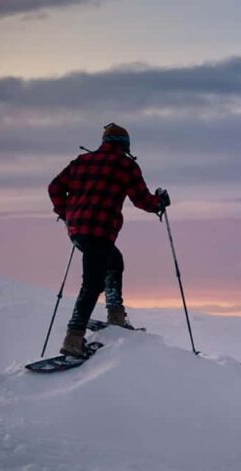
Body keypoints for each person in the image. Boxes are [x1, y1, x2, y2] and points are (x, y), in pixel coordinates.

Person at [48, 123, 170, 357]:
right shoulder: (126, 165)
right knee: (92, 283)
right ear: (125, 145)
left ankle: (115, 313)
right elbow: (142, 200)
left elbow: (54, 187)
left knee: (114, 261)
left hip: (76, 229)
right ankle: (74, 337)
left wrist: (64, 212)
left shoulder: (81, 161)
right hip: (101, 229)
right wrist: (160, 203)